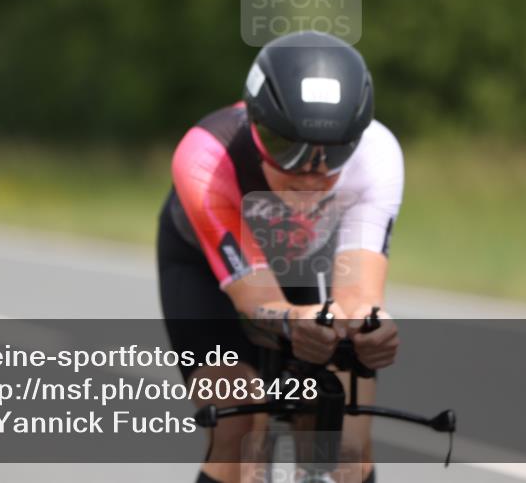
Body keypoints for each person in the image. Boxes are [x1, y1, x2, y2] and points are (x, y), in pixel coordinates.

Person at [157, 31, 404, 483]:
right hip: (210, 272)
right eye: (285, 147)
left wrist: (370, 327)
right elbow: (255, 301)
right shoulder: (206, 158)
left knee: (347, 441)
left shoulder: (378, 154)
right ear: (254, 124)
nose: (310, 174)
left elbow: (358, 294)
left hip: (307, 263)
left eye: (334, 154)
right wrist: (294, 325)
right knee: (237, 428)